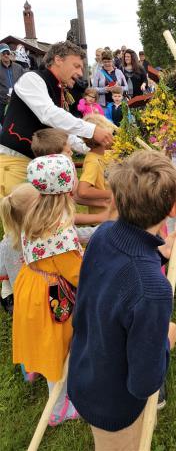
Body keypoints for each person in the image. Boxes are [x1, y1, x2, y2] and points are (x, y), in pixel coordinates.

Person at [67, 151, 176, 448]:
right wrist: (166, 341)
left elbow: (116, 275)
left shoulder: (103, 235)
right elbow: (144, 381)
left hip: (85, 372)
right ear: (173, 208)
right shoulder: (153, 289)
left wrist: (157, 251)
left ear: (115, 199)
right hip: (115, 406)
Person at [13, 154, 82, 425]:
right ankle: (57, 410)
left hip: (31, 284)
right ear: (68, 186)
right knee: (58, 347)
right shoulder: (59, 230)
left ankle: (39, 371)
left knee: (42, 340)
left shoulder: (35, 212)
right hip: (52, 296)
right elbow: (76, 273)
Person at [0, 41, 114, 198]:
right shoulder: (32, 79)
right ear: (58, 60)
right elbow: (48, 114)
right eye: (76, 66)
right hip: (15, 163)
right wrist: (92, 130)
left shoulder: (58, 90)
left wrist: (91, 148)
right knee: (24, 219)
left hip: (36, 165)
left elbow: (61, 130)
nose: (81, 73)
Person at [0, 183, 39, 315]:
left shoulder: (6, 243)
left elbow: (1, 271)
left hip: (16, 297)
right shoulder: (42, 236)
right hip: (38, 296)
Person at [77, 114, 115, 214]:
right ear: (104, 139)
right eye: (111, 135)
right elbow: (83, 191)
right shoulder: (93, 161)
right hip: (102, 218)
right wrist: (113, 194)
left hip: (113, 214)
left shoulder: (107, 154)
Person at [0, 43, 25, 126]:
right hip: (3, 104)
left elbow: (24, 82)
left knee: (18, 124)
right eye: (3, 53)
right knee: (5, 125)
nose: (6, 55)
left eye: (8, 53)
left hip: (17, 102)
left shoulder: (18, 67)